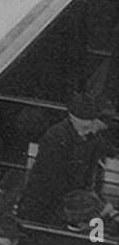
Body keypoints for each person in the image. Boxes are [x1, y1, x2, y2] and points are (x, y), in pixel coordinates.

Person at [20, 94, 110, 223]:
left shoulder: (92, 138)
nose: (88, 131)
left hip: (70, 199)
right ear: (71, 119)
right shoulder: (55, 138)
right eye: (84, 127)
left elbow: (91, 171)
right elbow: (52, 178)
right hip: (47, 201)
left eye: (91, 126)